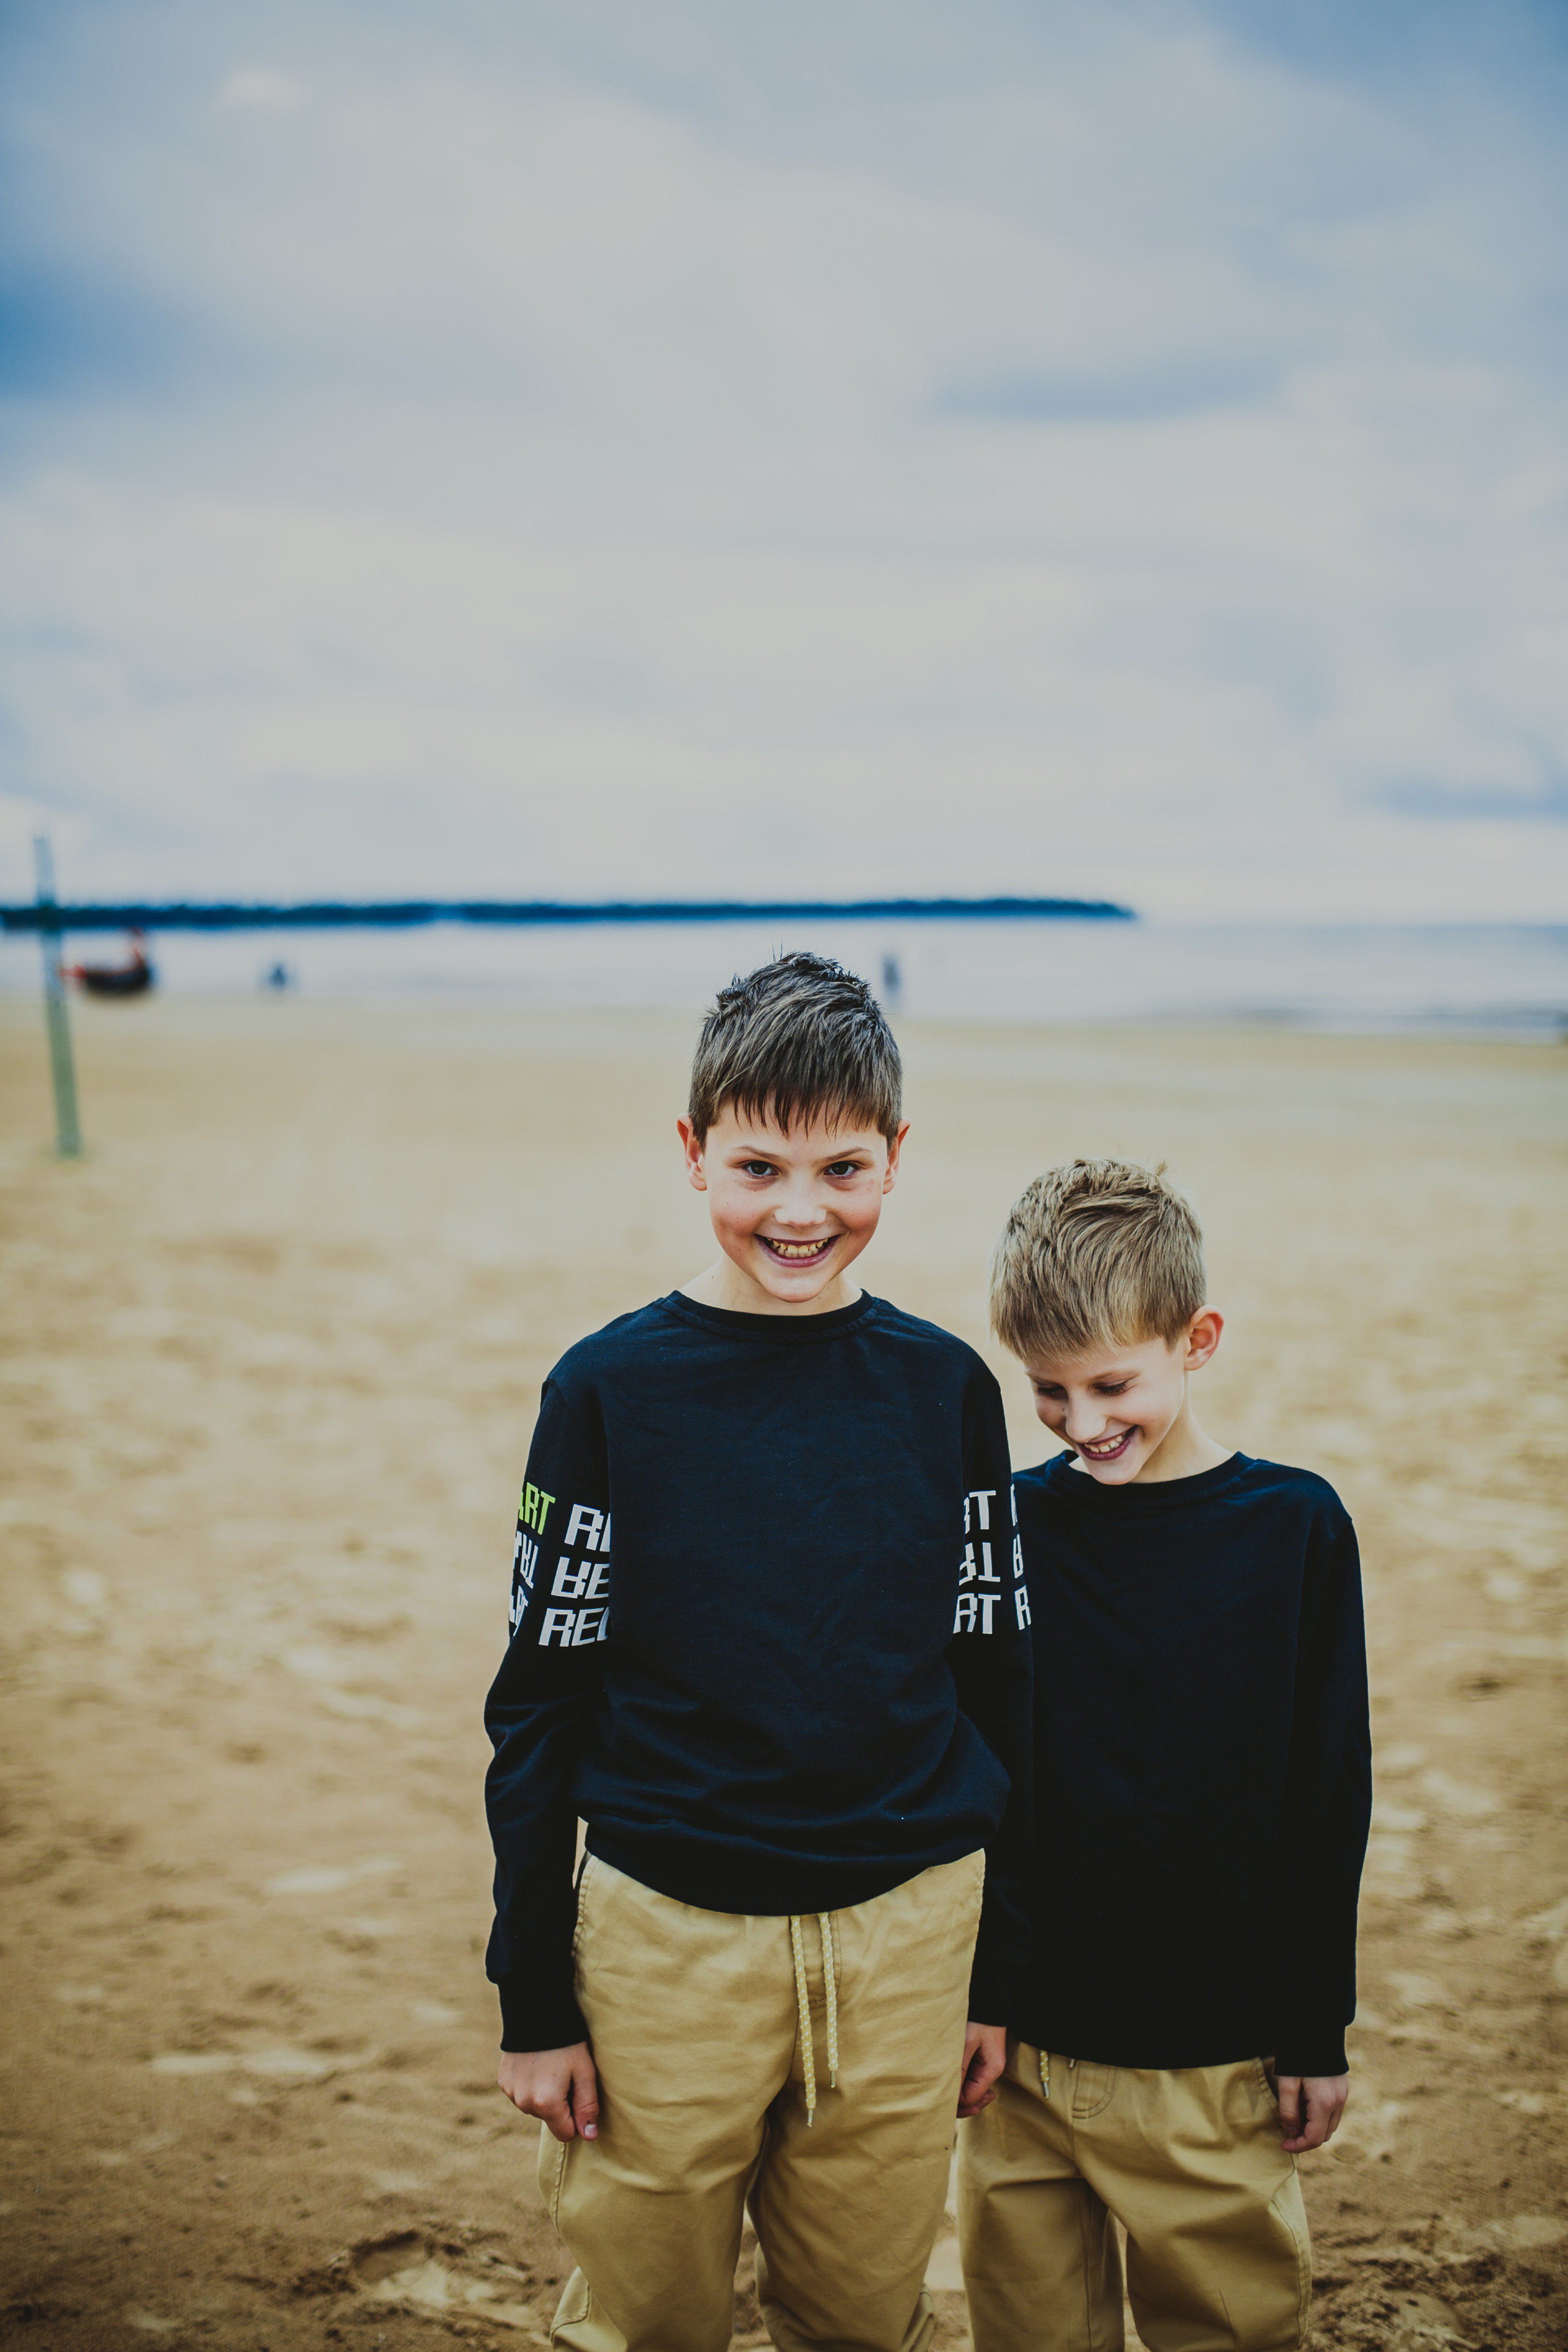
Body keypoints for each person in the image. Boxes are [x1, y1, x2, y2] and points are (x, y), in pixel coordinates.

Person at [484, 952, 1033, 2352]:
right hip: (665, 1943)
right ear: (692, 1154)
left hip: (907, 1939)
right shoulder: (605, 1390)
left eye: (842, 1170)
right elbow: (539, 1698)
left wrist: (1000, 1973)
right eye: (757, 1168)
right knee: (644, 2315)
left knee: (862, 2313)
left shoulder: (947, 1390)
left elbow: (996, 1681)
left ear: (896, 1157)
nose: (799, 1212)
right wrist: (534, 1994)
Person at [960, 1158, 1371, 2352]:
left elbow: (1323, 1795)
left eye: (1109, 1384)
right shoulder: (1011, 1528)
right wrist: (982, 1997)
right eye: (1044, 1391)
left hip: (1213, 2063)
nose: (1081, 1425)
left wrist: (1313, 2028)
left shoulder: (1296, 1531)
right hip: (1020, 2064)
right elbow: (986, 1786)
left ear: (1196, 1340)